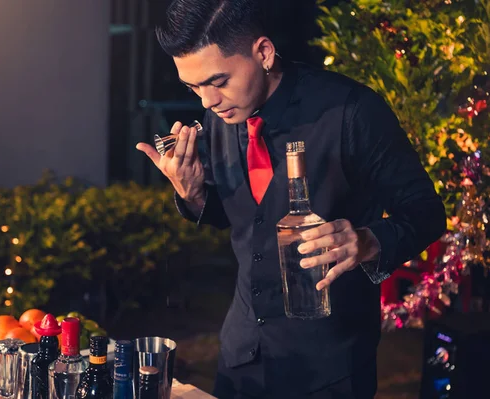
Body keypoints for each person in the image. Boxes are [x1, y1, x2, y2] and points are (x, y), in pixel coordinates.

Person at [136, 0, 446, 397]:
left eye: (217, 80)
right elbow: (242, 217)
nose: (206, 101)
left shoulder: (350, 111)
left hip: (330, 371)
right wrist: (193, 192)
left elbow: (426, 212)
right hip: (241, 359)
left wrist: (367, 241)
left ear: (263, 53)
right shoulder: (222, 115)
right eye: (192, 87)